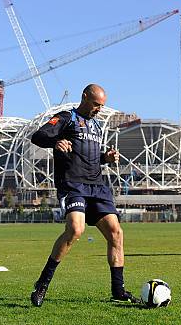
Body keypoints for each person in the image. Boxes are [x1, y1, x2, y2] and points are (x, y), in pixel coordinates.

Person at [29, 84, 138, 307]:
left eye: (102, 106)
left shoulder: (96, 126)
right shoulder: (66, 118)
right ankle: (42, 283)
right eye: (96, 104)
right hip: (73, 185)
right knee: (75, 230)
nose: (99, 109)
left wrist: (106, 157)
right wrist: (55, 141)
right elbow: (38, 136)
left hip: (97, 186)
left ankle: (118, 290)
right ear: (84, 97)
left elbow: (89, 156)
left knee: (116, 233)